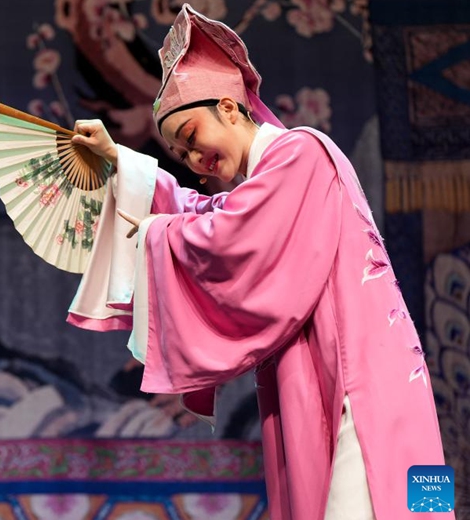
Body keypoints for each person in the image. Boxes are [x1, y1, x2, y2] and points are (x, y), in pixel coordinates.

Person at [66, 5, 450, 519]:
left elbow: (225, 235)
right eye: (181, 157)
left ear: (228, 107)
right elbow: (204, 212)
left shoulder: (301, 155)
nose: (195, 162)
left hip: (361, 391)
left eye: (191, 138)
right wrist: (121, 162)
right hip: (369, 382)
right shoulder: (270, 180)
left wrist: (155, 233)